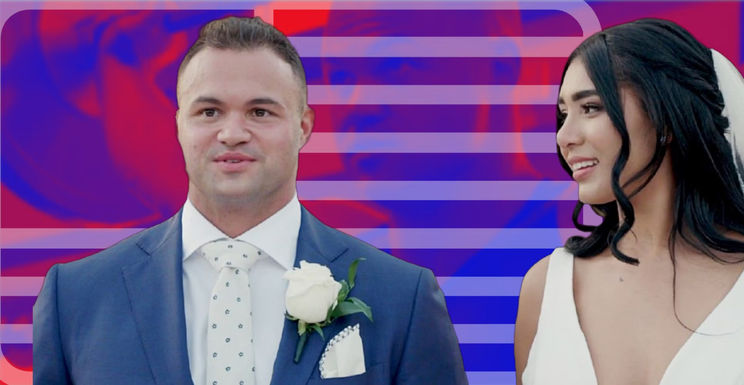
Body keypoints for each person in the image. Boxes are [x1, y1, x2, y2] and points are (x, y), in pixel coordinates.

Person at [33, 16, 467, 385]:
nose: (232, 133)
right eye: (209, 112)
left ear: (303, 127)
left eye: (260, 112)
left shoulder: (402, 297)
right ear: (179, 124)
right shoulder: (76, 298)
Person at [514, 18, 744, 385]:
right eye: (563, 115)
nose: (564, 137)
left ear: (665, 118)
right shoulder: (545, 289)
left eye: (591, 108)